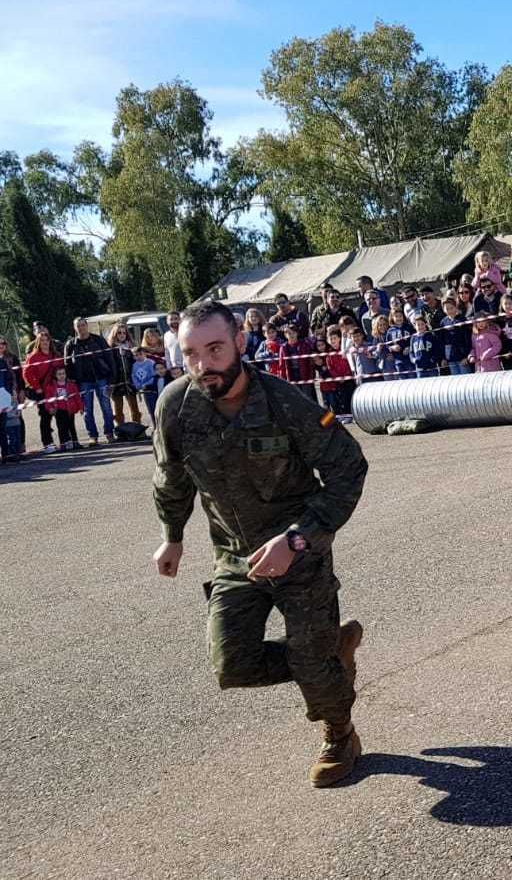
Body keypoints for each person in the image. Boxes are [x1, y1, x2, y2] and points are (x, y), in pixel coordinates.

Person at [150, 300, 368, 788]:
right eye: (191, 354)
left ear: (240, 345)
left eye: (214, 349)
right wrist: (173, 537)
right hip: (235, 557)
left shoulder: (283, 402)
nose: (203, 365)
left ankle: (340, 732)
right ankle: (331, 654)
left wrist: (296, 539)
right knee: (233, 665)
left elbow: (347, 468)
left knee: (313, 668)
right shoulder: (176, 406)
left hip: (300, 556)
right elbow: (171, 477)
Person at [64, 317, 116, 446]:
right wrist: (73, 381)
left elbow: (109, 358)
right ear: (74, 328)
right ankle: (93, 436)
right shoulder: (71, 344)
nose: (81, 328)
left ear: (87, 326)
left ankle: (109, 433)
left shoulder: (99, 340)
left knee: (107, 408)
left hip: (102, 378)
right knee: (87, 410)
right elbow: (67, 364)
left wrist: (112, 379)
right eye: (78, 326)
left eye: (83, 325)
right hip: (83, 382)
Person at [105, 322, 140, 427]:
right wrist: (110, 382)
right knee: (118, 408)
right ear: (115, 334)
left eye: (124, 333)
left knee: (134, 406)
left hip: (130, 381)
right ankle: (120, 429)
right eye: (119, 333)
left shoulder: (131, 347)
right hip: (116, 382)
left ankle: (137, 428)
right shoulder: (110, 348)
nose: (121, 335)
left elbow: (136, 362)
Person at [42, 366, 82, 450]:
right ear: (55, 375)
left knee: (71, 426)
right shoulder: (51, 387)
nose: (62, 376)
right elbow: (48, 399)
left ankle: (75, 442)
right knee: (61, 427)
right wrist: (50, 408)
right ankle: (63, 444)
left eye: (63, 373)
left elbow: (77, 397)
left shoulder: (71, 385)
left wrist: (81, 407)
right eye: (59, 374)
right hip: (59, 410)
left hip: (70, 409)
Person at [319, 328, 355, 415]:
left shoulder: (344, 351)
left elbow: (349, 364)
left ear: (339, 339)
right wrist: (338, 378)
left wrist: (346, 375)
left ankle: (354, 414)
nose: (333, 340)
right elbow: (331, 368)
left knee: (351, 396)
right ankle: (347, 415)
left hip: (349, 379)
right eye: (331, 339)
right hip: (339, 381)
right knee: (342, 399)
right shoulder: (329, 355)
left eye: (335, 338)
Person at [439, 297, 474, 375]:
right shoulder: (443, 322)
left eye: (451, 308)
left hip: (462, 356)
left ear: (455, 307)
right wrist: (444, 358)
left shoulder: (462, 319)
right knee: (456, 379)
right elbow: (442, 341)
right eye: (447, 309)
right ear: (443, 310)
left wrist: (466, 356)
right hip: (451, 357)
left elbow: (467, 339)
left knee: (465, 377)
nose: (450, 311)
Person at [132, 346, 162, 419]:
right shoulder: (134, 365)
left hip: (152, 389)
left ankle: (159, 425)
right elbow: (133, 375)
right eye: (136, 355)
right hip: (145, 391)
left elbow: (154, 376)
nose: (138, 356)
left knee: (156, 408)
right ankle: (155, 426)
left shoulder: (150, 363)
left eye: (140, 354)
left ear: (145, 354)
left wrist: (146, 384)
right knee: (150, 409)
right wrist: (137, 384)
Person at [163, 310, 185, 381]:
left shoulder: (185, 333)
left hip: (185, 369)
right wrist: (169, 368)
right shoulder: (166, 335)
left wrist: (185, 369)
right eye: (171, 319)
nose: (174, 321)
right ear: (167, 321)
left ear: (180, 320)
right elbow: (167, 352)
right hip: (173, 370)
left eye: (176, 319)